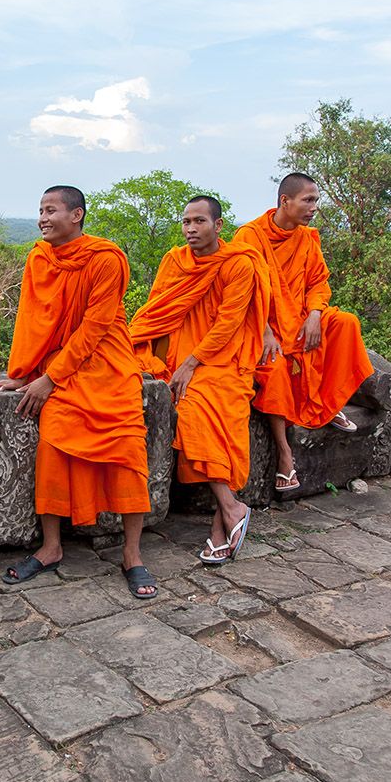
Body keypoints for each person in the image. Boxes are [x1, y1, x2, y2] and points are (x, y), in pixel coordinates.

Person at [0, 186, 157, 599]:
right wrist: (24, 374)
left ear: (75, 215)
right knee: (53, 442)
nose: (42, 218)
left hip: (108, 364)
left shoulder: (105, 259)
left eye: (51, 210)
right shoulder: (39, 258)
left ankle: (132, 554)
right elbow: (33, 319)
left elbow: (96, 326)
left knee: (129, 451)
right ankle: (52, 546)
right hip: (62, 366)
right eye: (40, 210)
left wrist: (50, 378)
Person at [129, 196, 270, 564]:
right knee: (189, 406)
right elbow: (158, 309)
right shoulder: (175, 261)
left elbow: (230, 321)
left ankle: (224, 516)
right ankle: (228, 512)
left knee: (205, 409)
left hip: (227, 358)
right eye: (186, 222)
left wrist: (192, 364)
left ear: (218, 225)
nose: (191, 229)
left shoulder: (238, 264)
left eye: (199, 222)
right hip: (179, 353)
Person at [232, 173, 373, 493]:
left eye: (316, 201)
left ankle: (327, 401)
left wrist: (314, 314)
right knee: (275, 368)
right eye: (308, 200)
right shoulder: (249, 237)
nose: (314, 208)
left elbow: (318, 283)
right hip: (259, 325)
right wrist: (265, 330)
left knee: (346, 324)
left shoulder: (308, 238)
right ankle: (285, 455)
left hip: (299, 318)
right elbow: (242, 292)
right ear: (285, 201)